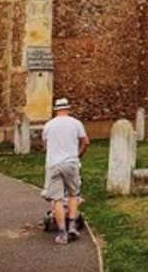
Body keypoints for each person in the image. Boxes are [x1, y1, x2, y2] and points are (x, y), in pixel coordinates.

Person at [42, 98, 90, 245]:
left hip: (54, 164)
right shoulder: (76, 123)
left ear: (56, 110)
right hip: (71, 163)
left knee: (56, 199)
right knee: (73, 194)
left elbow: (45, 146)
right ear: (68, 109)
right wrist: (78, 154)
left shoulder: (48, 125)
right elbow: (86, 142)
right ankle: (72, 226)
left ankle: (62, 232)